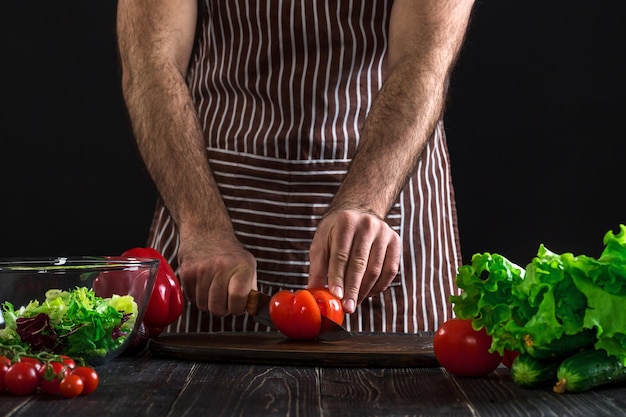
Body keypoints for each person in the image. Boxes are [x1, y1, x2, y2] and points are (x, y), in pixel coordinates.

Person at [116, 0, 475, 334]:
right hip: (210, 203)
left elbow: (424, 59)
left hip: (386, 208)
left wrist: (366, 202)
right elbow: (150, 59)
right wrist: (202, 223)